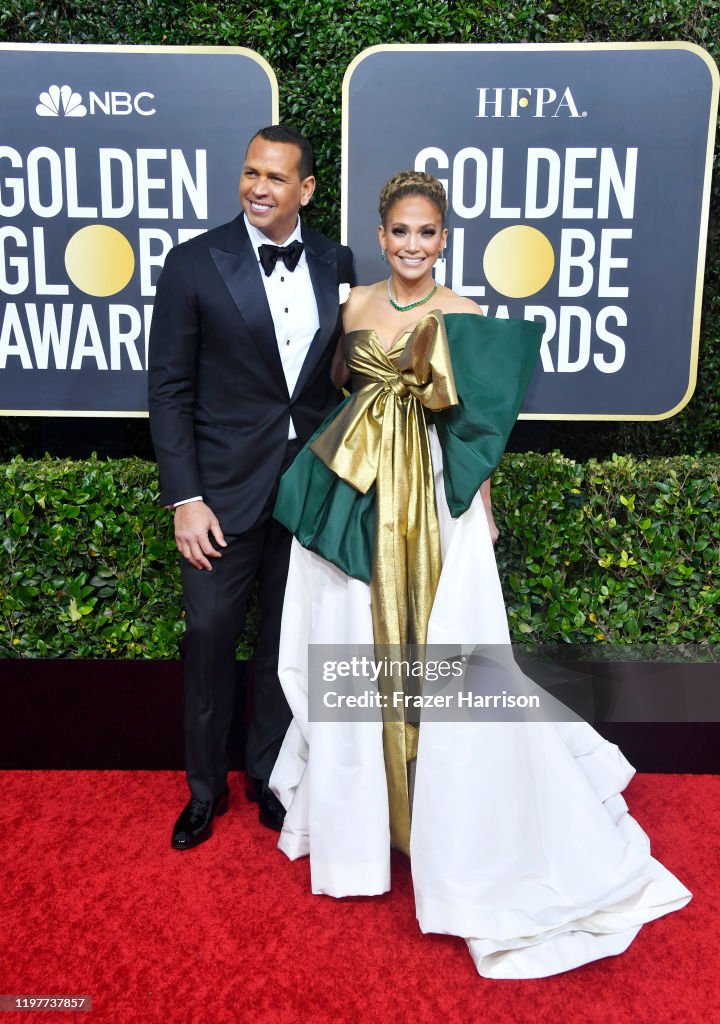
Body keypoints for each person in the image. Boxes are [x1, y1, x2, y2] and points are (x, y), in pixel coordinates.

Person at [268, 170, 691, 978]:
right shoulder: (351, 304)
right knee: (355, 636)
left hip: (432, 502)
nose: (413, 246)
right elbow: (335, 398)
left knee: (447, 652)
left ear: (444, 239)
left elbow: (478, 427)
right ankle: (366, 818)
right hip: (359, 495)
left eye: (428, 233)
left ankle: (450, 814)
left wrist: (481, 507)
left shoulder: (463, 316)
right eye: (400, 232)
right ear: (382, 234)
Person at [148, 125, 355, 850]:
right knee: (208, 636)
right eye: (249, 174)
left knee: (282, 638)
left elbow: (337, 384)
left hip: (304, 489)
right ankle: (204, 790)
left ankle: (269, 773)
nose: (259, 188)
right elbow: (169, 390)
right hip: (220, 493)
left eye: (275, 177)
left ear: (307, 189)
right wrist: (185, 497)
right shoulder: (194, 264)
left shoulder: (338, 262)